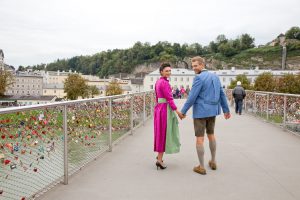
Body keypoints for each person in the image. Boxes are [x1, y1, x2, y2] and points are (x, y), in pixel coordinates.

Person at [179, 56, 231, 175]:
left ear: (202, 65)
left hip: (201, 112)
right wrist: (226, 110)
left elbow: (192, 97)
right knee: (211, 135)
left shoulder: (199, 78)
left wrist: (183, 112)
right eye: (192, 66)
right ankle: (213, 161)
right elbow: (222, 94)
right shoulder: (215, 77)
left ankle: (201, 167)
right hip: (213, 111)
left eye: (196, 66)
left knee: (199, 138)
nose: (194, 68)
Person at [154, 63, 185, 170]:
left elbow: (157, 97)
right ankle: (159, 160)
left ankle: (159, 157)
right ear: (161, 71)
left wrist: (158, 107)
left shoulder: (158, 81)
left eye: (170, 71)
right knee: (164, 134)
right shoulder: (165, 83)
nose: (169, 72)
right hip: (164, 110)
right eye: (166, 71)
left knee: (160, 133)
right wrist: (178, 112)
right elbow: (169, 99)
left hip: (159, 108)